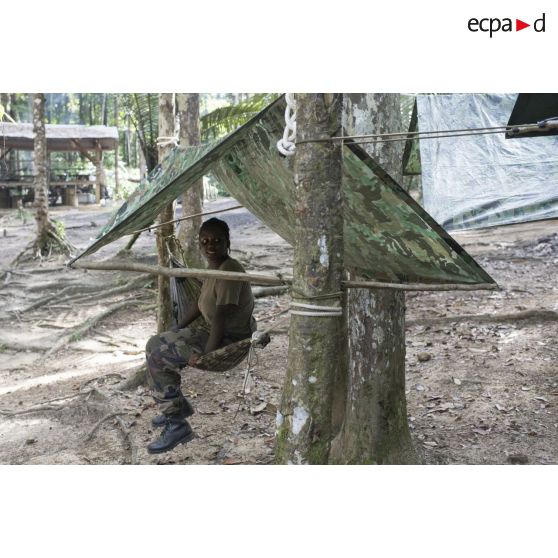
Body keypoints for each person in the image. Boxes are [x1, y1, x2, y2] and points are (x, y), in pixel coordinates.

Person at [145, 217, 256, 454]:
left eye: (217, 240)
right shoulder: (213, 267)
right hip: (209, 331)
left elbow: (222, 315)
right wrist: (176, 328)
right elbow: (199, 301)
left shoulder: (229, 270)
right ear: (199, 243)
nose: (210, 245)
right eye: (205, 241)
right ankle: (177, 406)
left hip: (226, 338)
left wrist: (209, 354)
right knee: (153, 343)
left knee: (158, 356)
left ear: (228, 242)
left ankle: (176, 423)